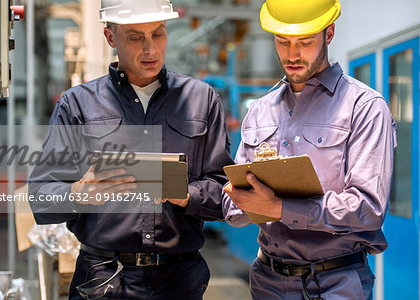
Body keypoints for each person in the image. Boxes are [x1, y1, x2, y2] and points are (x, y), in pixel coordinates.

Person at [28, 0, 234, 299]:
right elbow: (39, 197)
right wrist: (77, 195)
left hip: (179, 281)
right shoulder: (78, 105)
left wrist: (187, 194)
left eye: (159, 34)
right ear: (110, 37)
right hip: (102, 280)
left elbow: (225, 193)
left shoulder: (202, 101)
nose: (150, 49)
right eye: (136, 37)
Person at [222, 0, 397, 299]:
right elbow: (234, 211)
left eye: (305, 42)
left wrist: (278, 208)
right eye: (282, 41)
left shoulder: (364, 108)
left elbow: (368, 209)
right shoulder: (260, 111)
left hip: (335, 283)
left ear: (329, 33)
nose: (292, 54)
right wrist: (239, 201)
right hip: (268, 283)